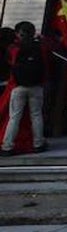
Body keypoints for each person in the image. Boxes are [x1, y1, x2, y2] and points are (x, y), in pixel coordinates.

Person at [1, 22, 46, 156]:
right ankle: (38, 143)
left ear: (18, 33)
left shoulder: (14, 48)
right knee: (36, 115)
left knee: (14, 117)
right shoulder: (40, 47)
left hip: (18, 86)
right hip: (36, 87)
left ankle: (7, 146)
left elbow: (9, 63)